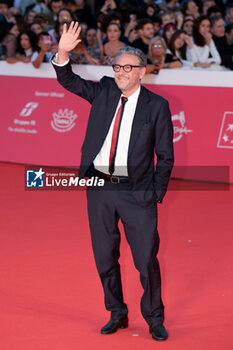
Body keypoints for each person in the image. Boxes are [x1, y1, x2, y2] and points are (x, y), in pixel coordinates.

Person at [52, 21, 174, 342]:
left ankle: (154, 317)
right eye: (117, 65)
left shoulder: (157, 106)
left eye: (127, 67)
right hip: (99, 189)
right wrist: (63, 51)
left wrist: (154, 194)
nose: (120, 71)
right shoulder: (104, 90)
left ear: (141, 72)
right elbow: (69, 80)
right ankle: (117, 312)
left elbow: (166, 155)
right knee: (105, 255)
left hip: (137, 193)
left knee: (145, 259)